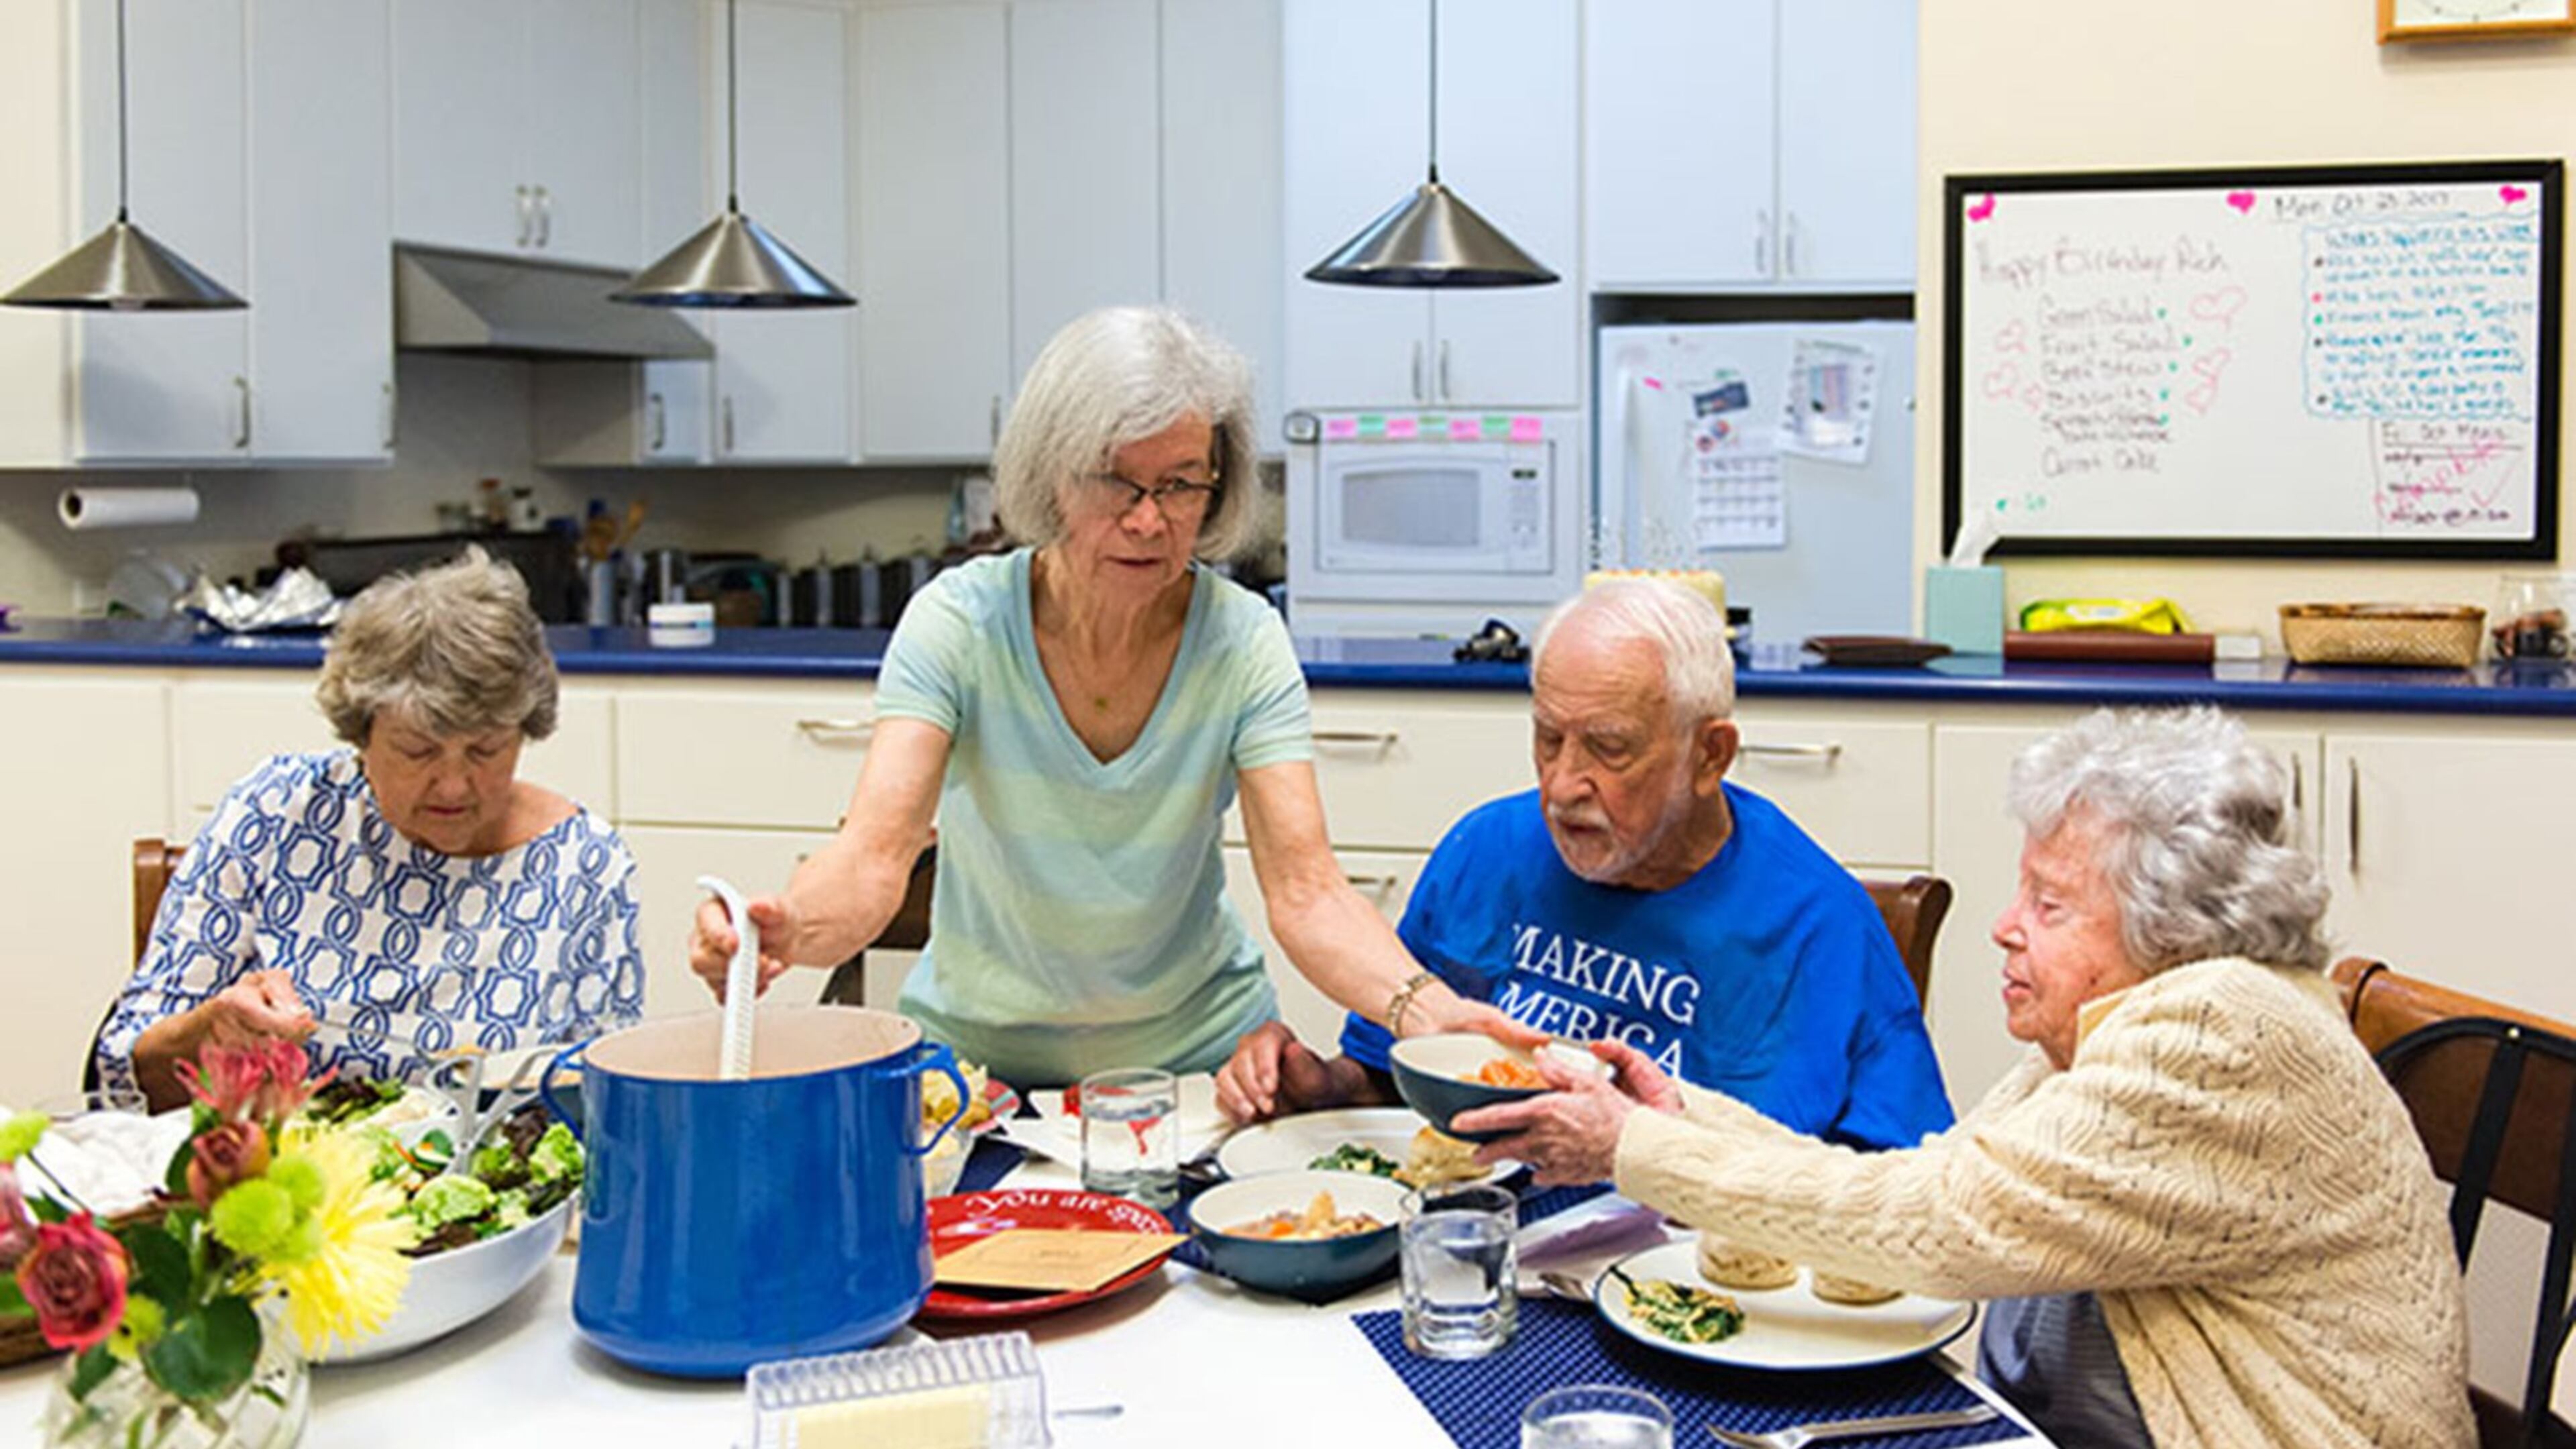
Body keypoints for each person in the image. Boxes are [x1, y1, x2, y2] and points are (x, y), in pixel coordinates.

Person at [1468, 706, 2473, 1449]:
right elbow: (1944, 1180)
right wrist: (1679, 1113)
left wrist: (1630, 1149)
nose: (2006, 926)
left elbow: (1941, 1224)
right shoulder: (2125, 1030)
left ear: (2170, 927)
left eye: (2049, 903)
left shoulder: (2220, 1033)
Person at [689, 306, 1521, 1086]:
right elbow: (877, 854)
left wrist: (1431, 1012)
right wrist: (783, 932)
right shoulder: (961, 622)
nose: (1150, 521)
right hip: (981, 1074)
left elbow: (1307, 892)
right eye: (1117, 484)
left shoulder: (1241, 638)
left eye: (1180, 485)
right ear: (1052, 477)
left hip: (1194, 1069)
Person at [1217, 578, 1951, 1155]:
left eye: (1609, 748)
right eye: (1547, 739)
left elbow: (1899, 1194)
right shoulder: (1487, 851)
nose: (1563, 786)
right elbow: (1390, 1080)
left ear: (1709, 756)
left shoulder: (1822, 930)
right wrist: (1315, 1088)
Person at [95, 549, 644, 1112]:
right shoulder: (278, 815)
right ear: (360, 735)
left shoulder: (584, 866)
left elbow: (608, 1109)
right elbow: (122, 1074)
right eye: (417, 751)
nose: (454, 786)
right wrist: (209, 1031)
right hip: (282, 1180)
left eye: (486, 749)